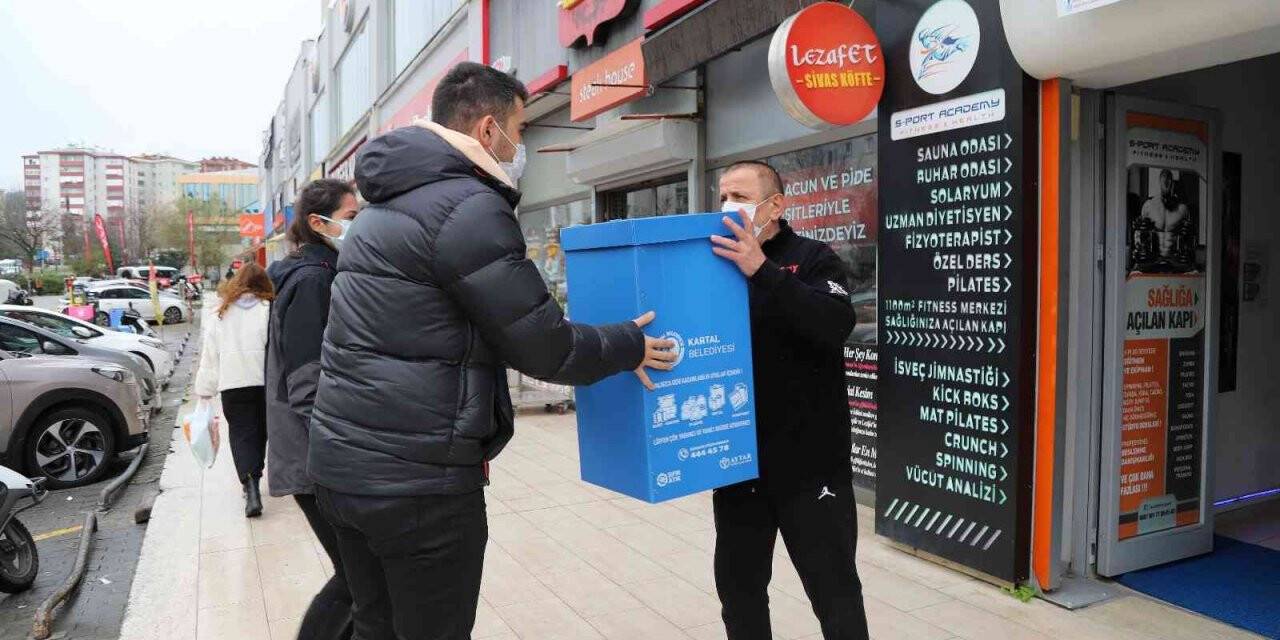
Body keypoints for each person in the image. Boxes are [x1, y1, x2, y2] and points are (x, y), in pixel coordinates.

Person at [307, 61, 676, 639]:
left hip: (340, 465)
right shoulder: (468, 207)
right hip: (418, 484)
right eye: (519, 130)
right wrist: (629, 342)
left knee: (375, 624)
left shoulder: (381, 209)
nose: (519, 146)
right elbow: (546, 347)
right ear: (487, 130)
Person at [708, 161, 869, 640]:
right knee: (739, 592)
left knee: (834, 592)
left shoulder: (814, 258)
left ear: (774, 205)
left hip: (812, 469)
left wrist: (763, 270)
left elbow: (835, 324)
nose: (726, 207)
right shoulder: (714, 264)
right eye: (721, 197)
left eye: (738, 196)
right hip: (740, 467)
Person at [265, 178, 359, 640]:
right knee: (356, 577)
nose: (361, 226)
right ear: (318, 223)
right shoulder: (313, 280)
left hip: (317, 454)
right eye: (352, 218)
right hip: (315, 458)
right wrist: (343, 453)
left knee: (360, 577)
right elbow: (307, 385)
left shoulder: (316, 272)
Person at [194, 262, 273, 518]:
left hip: (233, 386)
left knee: (241, 434)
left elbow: (210, 355)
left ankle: (250, 486)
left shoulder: (220, 311)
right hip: (263, 382)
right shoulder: (268, 308)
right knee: (260, 433)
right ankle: (255, 476)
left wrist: (205, 390)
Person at [1139, 168, 1190, 259]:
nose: (1167, 183)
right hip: (1153, 260)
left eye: (1169, 181)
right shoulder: (1148, 206)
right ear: (1159, 182)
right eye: (1164, 180)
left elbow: (1189, 238)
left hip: (1175, 261)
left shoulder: (1182, 209)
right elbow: (1139, 235)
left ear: (1172, 183)